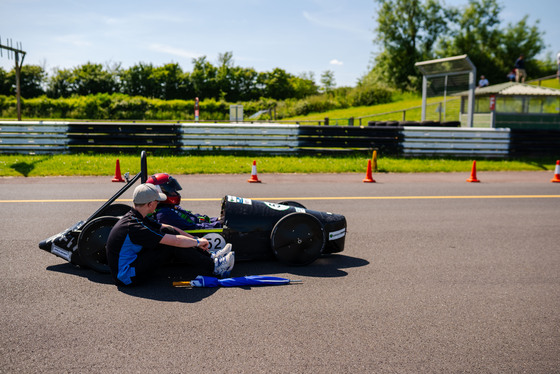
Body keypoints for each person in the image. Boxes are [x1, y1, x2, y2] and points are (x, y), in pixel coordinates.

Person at [106, 183, 234, 286]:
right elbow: (176, 241)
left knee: (170, 233)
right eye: (157, 201)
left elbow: (170, 228)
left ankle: (212, 258)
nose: (158, 203)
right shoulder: (135, 227)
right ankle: (215, 267)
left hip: (132, 264)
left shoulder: (136, 216)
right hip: (127, 277)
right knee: (171, 245)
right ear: (150, 204)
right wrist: (198, 242)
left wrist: (195, 239)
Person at [146, 173, 222, 231]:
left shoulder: (172, 208)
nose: (175, 193)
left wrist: (217, 220)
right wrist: (218, 225)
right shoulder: (164, 215)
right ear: (160, 192)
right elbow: (192, 228)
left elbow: (194, 218)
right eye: (171, 190)